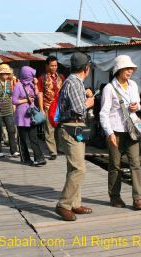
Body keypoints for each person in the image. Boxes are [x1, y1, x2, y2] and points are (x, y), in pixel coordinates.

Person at [99, 55, 141, 210]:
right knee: (115, 165)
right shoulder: (109, 88)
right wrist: (109, 133)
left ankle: (138, 198)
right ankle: (115, 196)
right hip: (115, 131)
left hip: (132, 130)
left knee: (136, 163)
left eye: (131, 68)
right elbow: (103, 113)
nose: (130, 71)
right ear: (118, 70)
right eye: (127, 68)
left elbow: (138, 102)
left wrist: (135, 107)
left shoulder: (133, 85)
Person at [55, 52, 95, 221]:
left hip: (74, 127)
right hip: (71, 127)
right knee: (79, 169)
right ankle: (63, 204)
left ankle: (75, 203)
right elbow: (79, 109)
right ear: (87, 68)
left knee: (74, 168)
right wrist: (90, 100)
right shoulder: (74, 82)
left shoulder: (74, 82)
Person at [12, 66, 47, 167]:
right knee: (22, 139)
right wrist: (26, 100)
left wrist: (36, 85)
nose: (33, 76)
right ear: (26, 75)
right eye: (31, 75)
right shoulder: (18, 85)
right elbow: (14, 101)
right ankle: (25, 159)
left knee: (33, 138)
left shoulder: (32, 84)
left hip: (31, 115)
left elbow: (37, 95)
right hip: (21, 115)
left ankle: (39, 158)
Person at [37, 56, 65, 160]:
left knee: (60, 129)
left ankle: (60, 147)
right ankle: (52, 152)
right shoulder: (42, 78)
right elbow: (40, 93)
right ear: (47, 66)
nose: (54, 67)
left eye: (55, 65)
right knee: (49, 130)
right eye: (52, 65)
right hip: (48, 106)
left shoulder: (61, 77)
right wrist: (41, 109)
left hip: (60, 107)